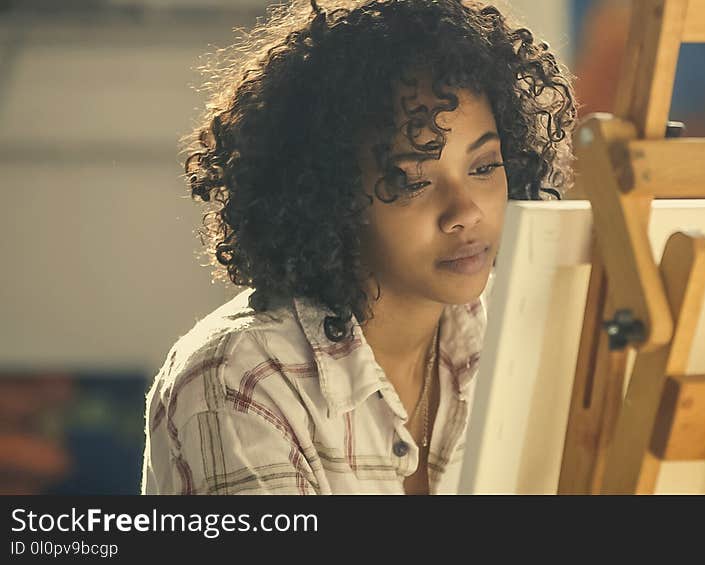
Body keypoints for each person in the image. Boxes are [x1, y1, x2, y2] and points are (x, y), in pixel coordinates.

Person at [141, 0, 577, 495]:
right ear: (330, 195)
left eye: (482, 168)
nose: (466, 212)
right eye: (412, 180)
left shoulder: (523, 330)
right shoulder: (243, 380)